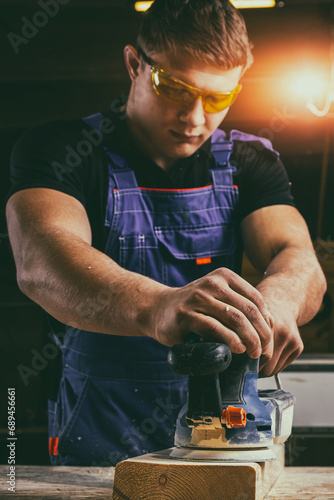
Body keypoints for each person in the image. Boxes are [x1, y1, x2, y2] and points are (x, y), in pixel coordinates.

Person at [6, 0, 326, 466]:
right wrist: (159, 305)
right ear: (135, 64)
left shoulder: (250, 162)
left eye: (218, 98)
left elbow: (295, 255)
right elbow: (42, 262)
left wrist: (276, 301)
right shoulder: (62, 151)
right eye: (174, 88)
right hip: (98, 432)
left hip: (223, 438)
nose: (195, 117)